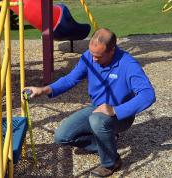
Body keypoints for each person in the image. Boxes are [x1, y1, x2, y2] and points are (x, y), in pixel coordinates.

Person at [24, 28, 156, 177]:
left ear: (112, 50)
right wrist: (44, 90)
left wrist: (115, 110)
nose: (93, 59)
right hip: (96, 109)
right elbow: (71, 79)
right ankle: (107, 141)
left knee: (97, 120)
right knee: (62, 137)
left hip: (121, 116)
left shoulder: (128, 64)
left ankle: (111, 162)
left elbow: (148, 95)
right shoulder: (88, 57)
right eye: (92, 54)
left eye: (98, 56)